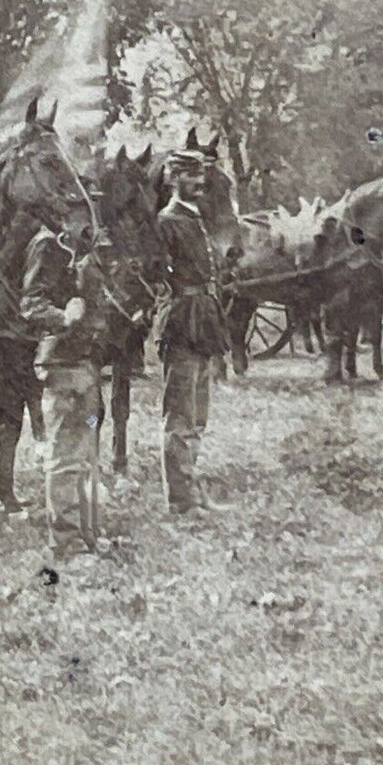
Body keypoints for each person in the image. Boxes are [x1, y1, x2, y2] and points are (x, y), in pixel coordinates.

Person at [20, 224, 106, 556]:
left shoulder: (84, 244)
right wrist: (63, 317)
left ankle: (88, 534)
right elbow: (30, 303)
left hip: (85, 362)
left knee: (86, 455)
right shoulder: (47, 244)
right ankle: (66, 544)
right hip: (62, 363)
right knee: (65, 457)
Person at [156, 147, 233, 519]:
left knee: (198, 414)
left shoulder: (197, 219)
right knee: (180, 415)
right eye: (189, 176)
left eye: (201, 175)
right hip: (182, 322)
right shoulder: (167, 221)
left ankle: (191, 490)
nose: (198, 182)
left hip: (203, 320)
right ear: (173, 180)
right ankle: (181, 499)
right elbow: (156, 277)